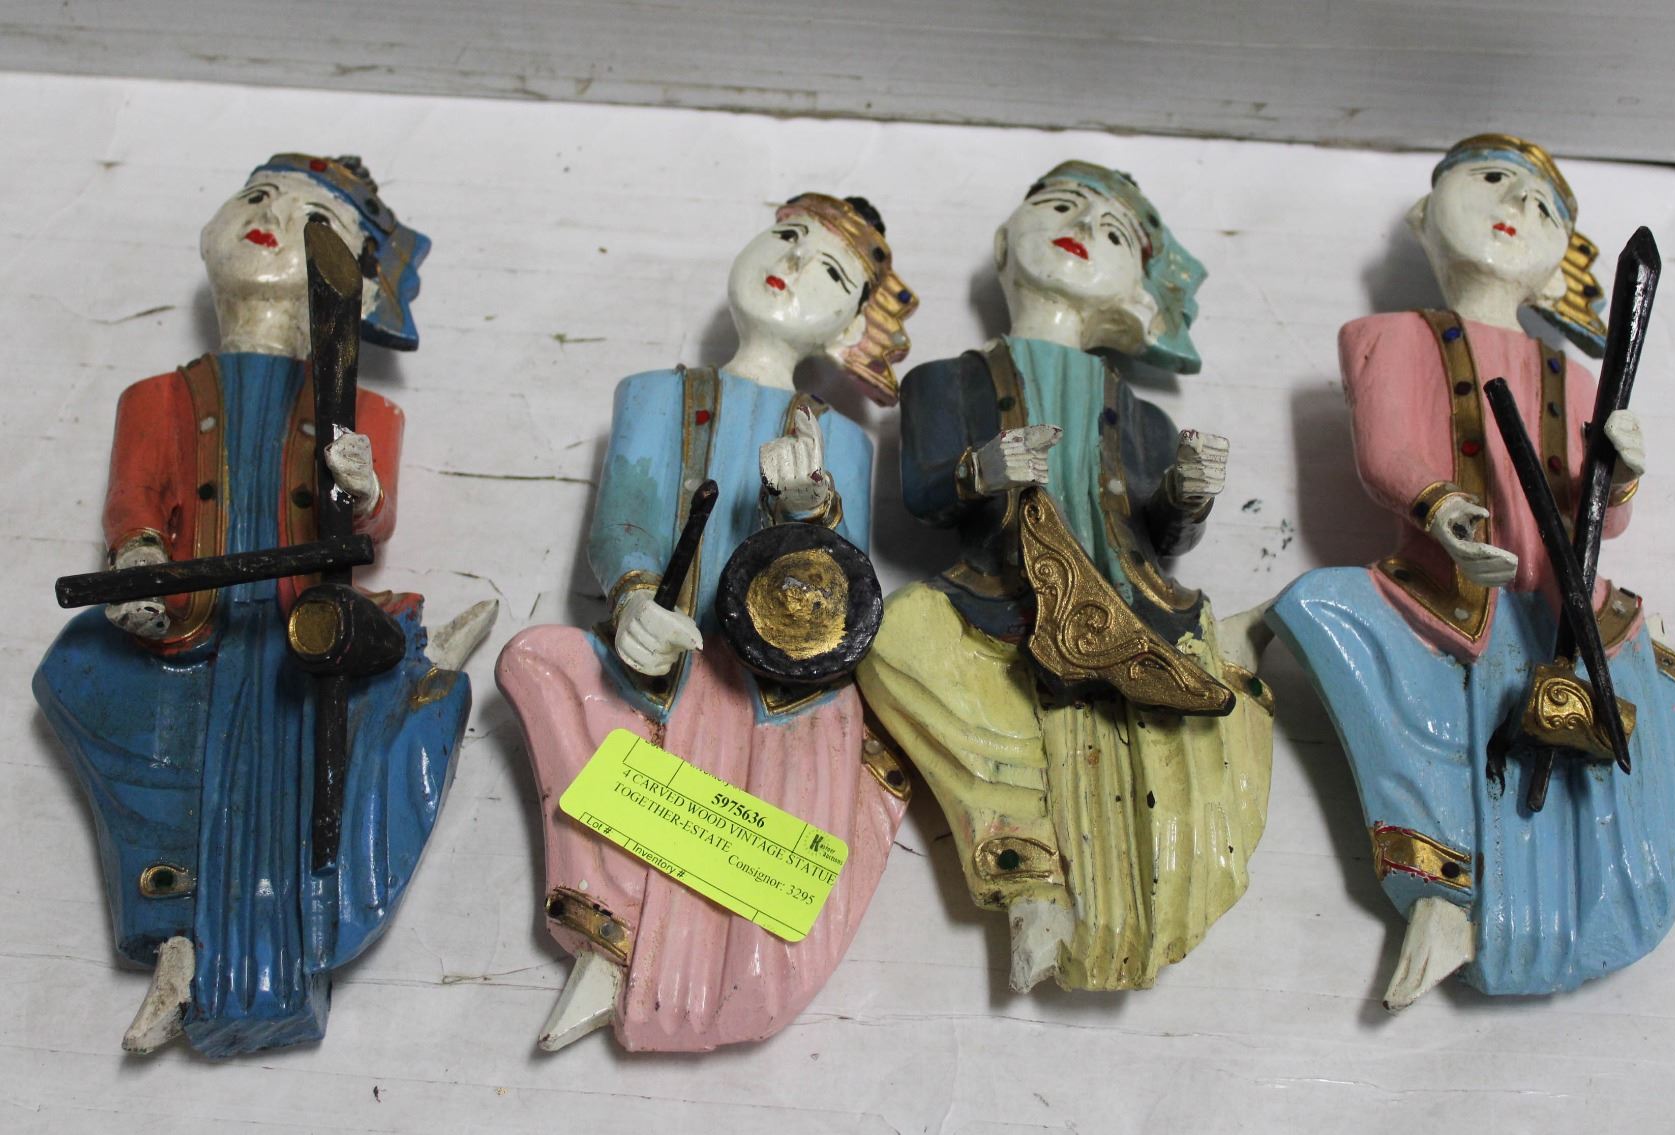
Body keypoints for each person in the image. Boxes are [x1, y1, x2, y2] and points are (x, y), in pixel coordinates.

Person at [33, 154, 496, 1057]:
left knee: (328, 742)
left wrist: (359, 485)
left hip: (299, 624)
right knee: (80, 674)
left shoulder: (363, 410)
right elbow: (134, 500)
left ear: (359, 288)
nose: (272, 218)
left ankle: (297, 929)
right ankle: (171, 926)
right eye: (257, 197)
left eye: (312, 220)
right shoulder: (157, 396)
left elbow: (369, 523)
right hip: (189, 618)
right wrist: (138, 561)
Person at [1267, 134, 1675, 1008]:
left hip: (1561, 602)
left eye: (1544, 206)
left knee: (1641, 709)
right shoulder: (1390, 336)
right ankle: (1444, 888)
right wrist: (1441, 508)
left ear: (1557, 266)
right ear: (1423, 215)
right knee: (1330, 612)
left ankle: (1591, 903)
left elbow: (1603, 517)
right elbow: (1387, 451)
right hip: (1445, 586)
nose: (1517, 206)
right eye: (1494, 180)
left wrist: (1620, 471)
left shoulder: (1578, 378)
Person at [496, 193, 917, 1052]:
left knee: (806, 766)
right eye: (786, 237)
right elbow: (625, 514)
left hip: (776, 692)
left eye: (828, 272)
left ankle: (675, 954)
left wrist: (804, 505)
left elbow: (844, 600)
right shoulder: (657, 393)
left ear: (848, 332)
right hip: (664, 654)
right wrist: (634, 600)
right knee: (536, 659)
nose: (791, 264)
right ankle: (615, 918)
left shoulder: (844, 442)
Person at [857, 161, 1274, 993]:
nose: (1082, 227)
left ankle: (1154, 882)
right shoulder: (944, 380)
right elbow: (923, 493)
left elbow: (1164, 537)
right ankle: (1028, 866)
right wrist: (981, 469)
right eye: (1058, 206)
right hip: (1001, 594)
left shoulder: (1144, 415)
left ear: (1132, 291)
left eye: (1113, 232)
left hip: (1133, 597)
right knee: (894, 638)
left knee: (1204, 707)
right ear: (1003, 242)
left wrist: (1188, 496)